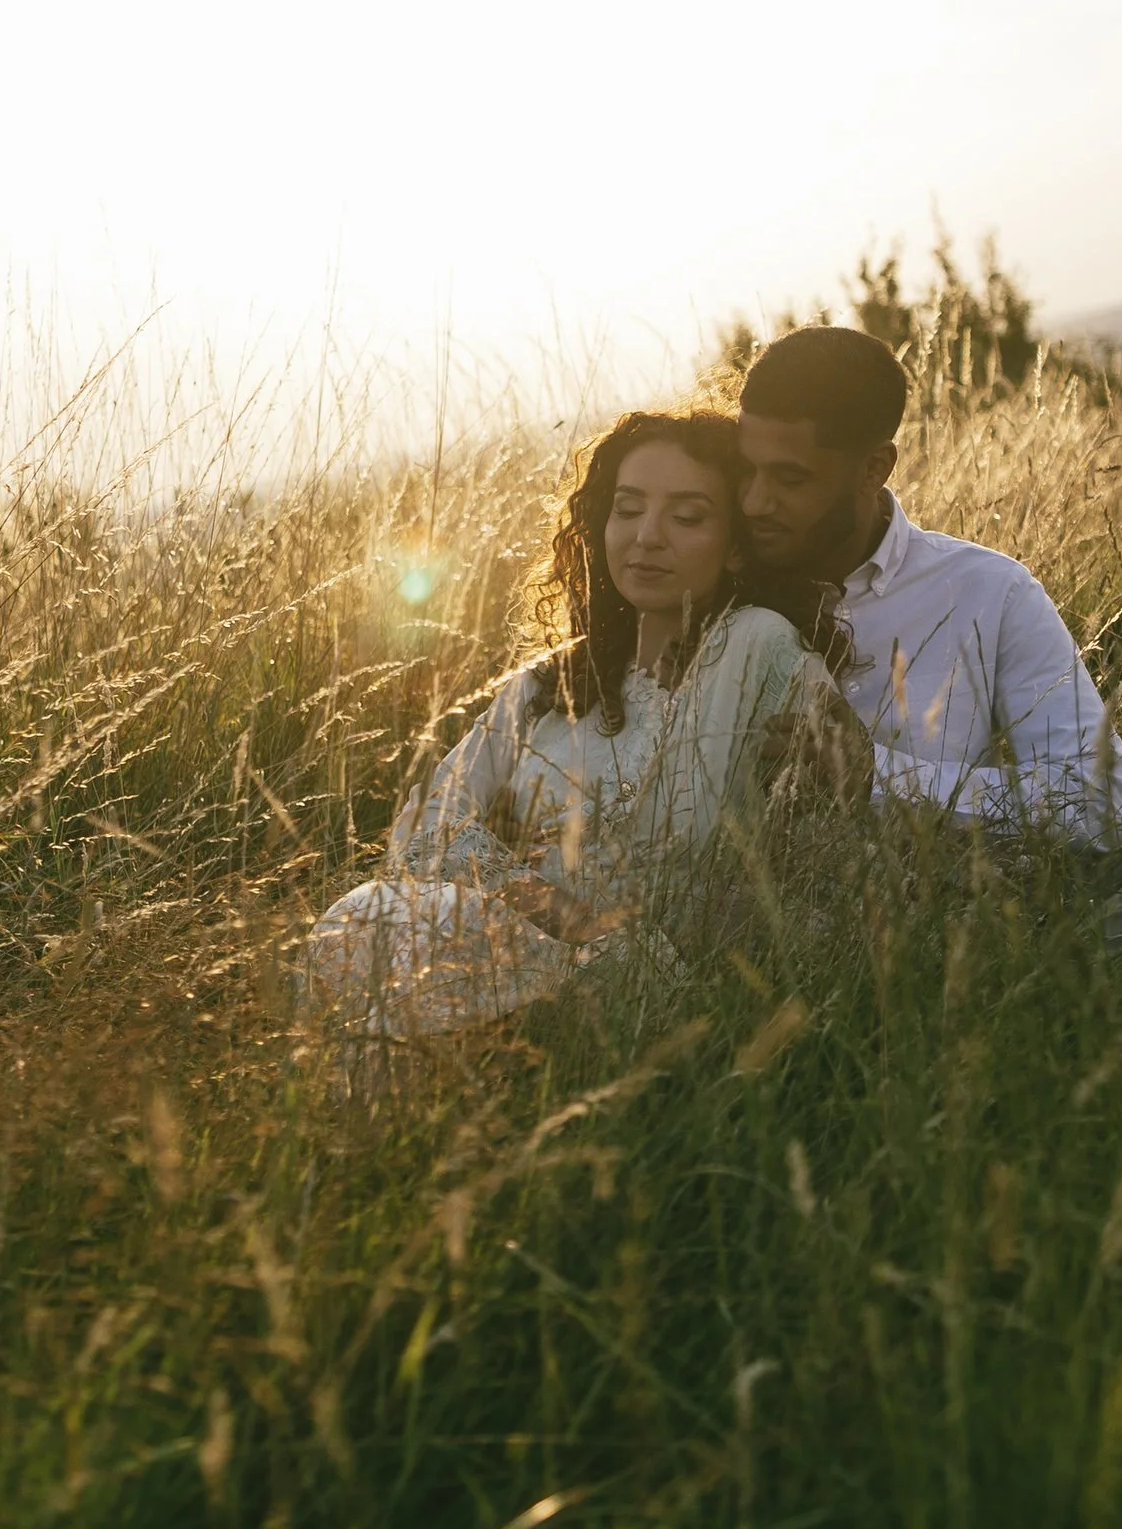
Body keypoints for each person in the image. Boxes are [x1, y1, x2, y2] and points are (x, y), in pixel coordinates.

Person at [303, 409, 866, 1054]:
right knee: (365, 920)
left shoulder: (756, 644)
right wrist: (534, 899)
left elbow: (827, 833)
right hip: (495, 946)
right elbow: (422, 829)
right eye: (627, 510)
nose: (647, 537)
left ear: (736, 543)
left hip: (654, 980)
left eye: (687, 517)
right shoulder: (546, 686)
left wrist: (598, 929)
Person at [735, 324, 1122, 850]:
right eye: (746, 470)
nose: (755, 503)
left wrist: (880, 776)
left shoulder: (990, 592)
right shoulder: (716, 575)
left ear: (874, 468)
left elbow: (1098, 805)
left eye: (790, 480)